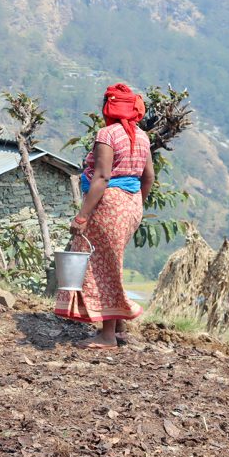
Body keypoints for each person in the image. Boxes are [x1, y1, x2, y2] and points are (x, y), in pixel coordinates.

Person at [54, 83, 155, 349]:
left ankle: (107, 335)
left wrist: (81, 217)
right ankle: (119, 327)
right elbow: (149, 178)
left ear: (108, 107)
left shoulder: (108, 135)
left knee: (102, 267)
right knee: (113, 260)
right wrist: (134, 207)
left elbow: (102, 177)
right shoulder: (142, 137)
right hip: (131, 205)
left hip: (107, 205)